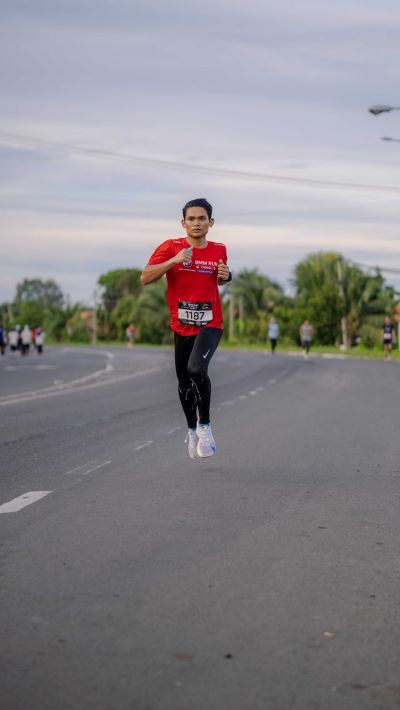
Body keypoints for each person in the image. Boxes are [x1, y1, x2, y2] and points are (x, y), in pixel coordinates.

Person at [140, 198, 231, 459]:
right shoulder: (171, 247)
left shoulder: (219, 249)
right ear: (183, 223)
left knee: (196, 370)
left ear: (211, 222)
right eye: (191, 219)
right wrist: (174, 260)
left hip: (210, 323)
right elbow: (145, 277)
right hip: (181, 327)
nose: (196, 223)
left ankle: (205, 426)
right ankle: (191, 429)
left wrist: (226, 276)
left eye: (202, 218)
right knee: (183, 382)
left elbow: (220, 279)